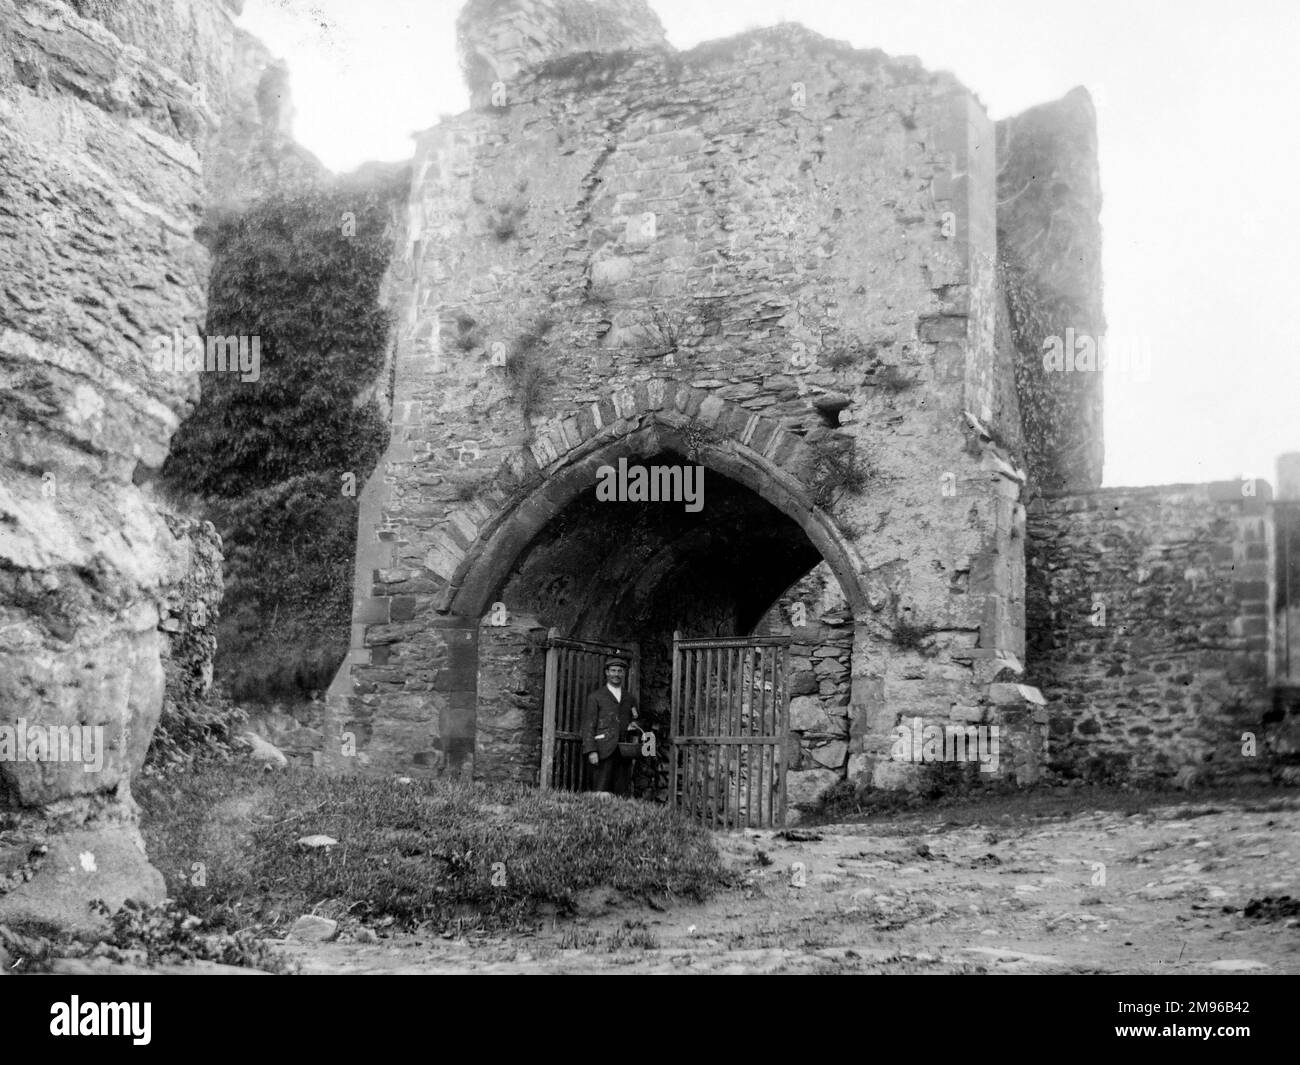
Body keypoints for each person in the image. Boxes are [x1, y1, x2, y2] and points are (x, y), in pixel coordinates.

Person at [581, 655, 639, 797]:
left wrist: (633, 725)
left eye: (620, 671)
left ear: (624, 673)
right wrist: (591, 751)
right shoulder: (596, 697)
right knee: (600, 791)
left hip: (623, 752)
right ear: (607, 672)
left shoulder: (629, 698)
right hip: (602, 751)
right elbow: (588, 725)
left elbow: (636, 718)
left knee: (621, 792)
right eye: (613, 670)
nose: (616, 674)